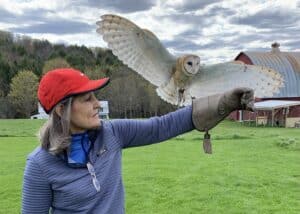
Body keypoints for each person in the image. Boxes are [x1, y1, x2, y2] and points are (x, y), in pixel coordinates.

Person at [21, 68, 254, 213]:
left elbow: (162, 126)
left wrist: (223, 102)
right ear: (62, 110)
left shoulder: (112, 133)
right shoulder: (39, 165)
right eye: (87, 99)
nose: (97, 104)